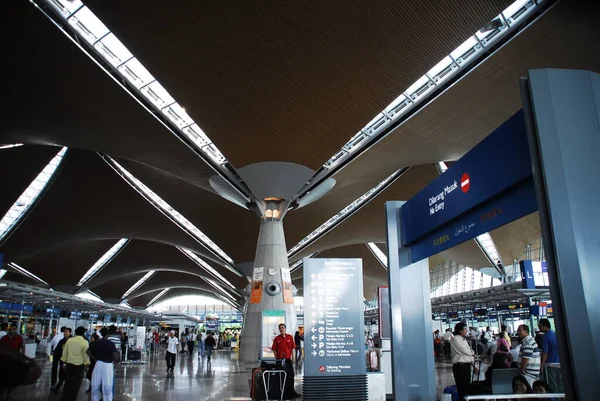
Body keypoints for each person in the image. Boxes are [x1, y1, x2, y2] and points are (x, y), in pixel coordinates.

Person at [87, 328, 120, 401]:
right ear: (108, 335)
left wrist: (94, 359)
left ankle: (94, 399)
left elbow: (88, 351)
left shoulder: (97, 342)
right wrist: (115, 362)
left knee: (95, 383)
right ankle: (107, 399)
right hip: (107, 365)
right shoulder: (110, 343)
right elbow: (114, 354)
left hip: (98, 364)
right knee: (107, 384)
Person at [60, 326, 90, 401]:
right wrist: (87, 364)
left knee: (67, 382)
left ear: (76, 333)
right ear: (84, 333)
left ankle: (64, 398)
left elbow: (64, 352)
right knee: (76, 385)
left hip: (69, 364)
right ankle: (73, 398)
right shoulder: (85, 342)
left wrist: (64, 363)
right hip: (79, 366)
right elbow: (85, 355)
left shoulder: (69, 340)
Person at [271, 323, 300, 399]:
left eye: (282, 327)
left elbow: (293, 348)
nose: (281, 329)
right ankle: (282, 392)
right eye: (280, 328)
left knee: (291, 376)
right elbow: (274, 349)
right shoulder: (277, 339)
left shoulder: (290, 337)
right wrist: (276, 358)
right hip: (280, 361)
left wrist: (293, 358)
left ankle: (292, 392)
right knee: (282, 376)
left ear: (285, 328)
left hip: (288, 360)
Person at [450, 322, 477, 401]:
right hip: (459, 367)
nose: (466, 331)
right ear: (460, 330)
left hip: (466, 366)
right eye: (465, 329)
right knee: (462, 388)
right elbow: (464, 351)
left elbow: (469, 354)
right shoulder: (455, 339)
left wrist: (474, 366)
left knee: (467, 388)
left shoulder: (464, 340)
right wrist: (472, 352)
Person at [51, 327, 72, 393]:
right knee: (62, 372)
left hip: (67, 360)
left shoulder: (71, 340)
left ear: (70, 333)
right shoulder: (62, 340)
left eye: (66, 332)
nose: (65, 333)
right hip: (60, 358)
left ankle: (61, 387)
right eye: (64, 332)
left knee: (63, 373)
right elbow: (57, 349)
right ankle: (58, 385)